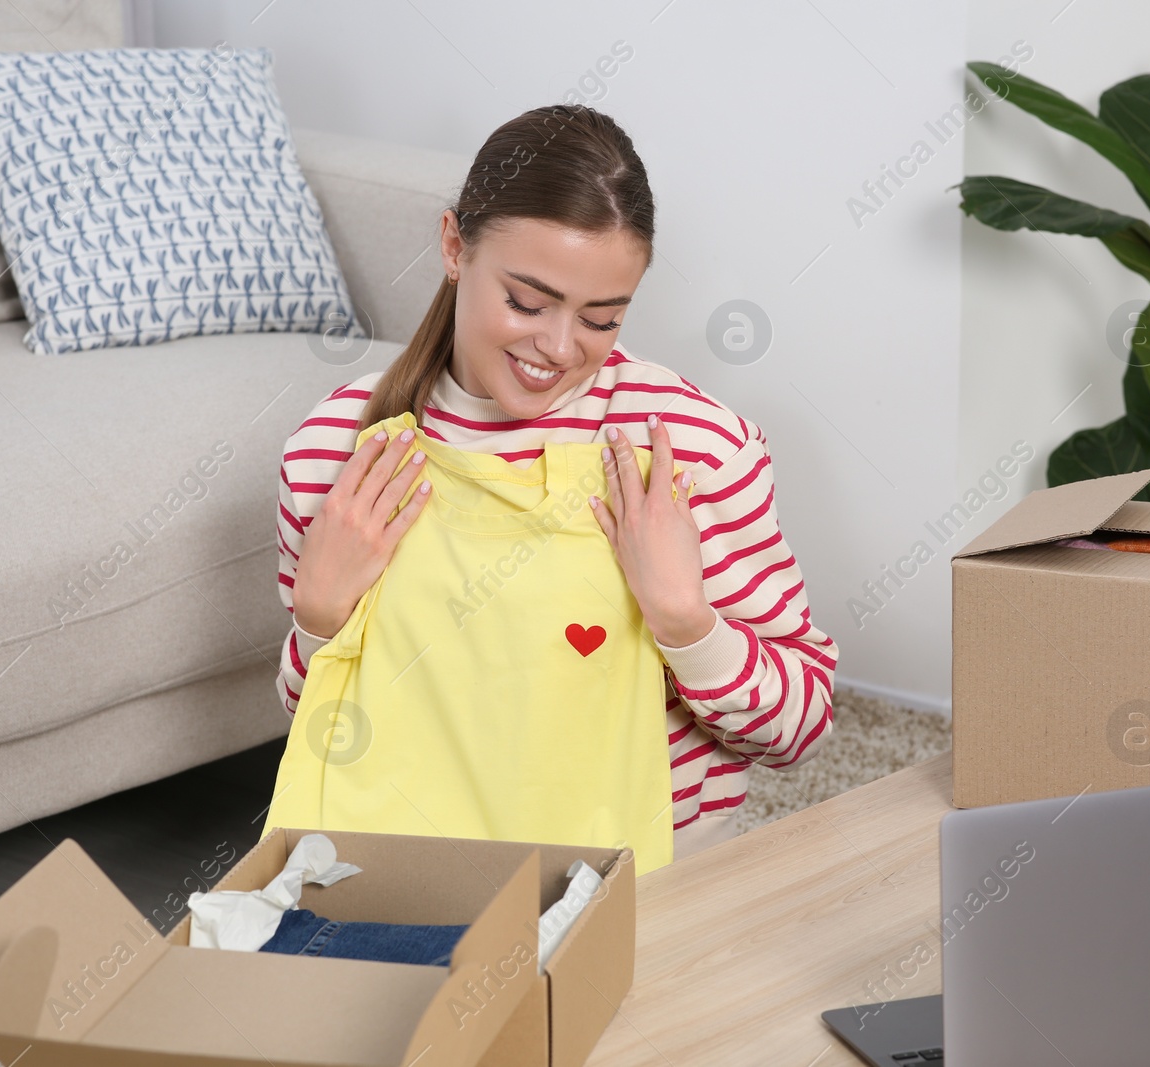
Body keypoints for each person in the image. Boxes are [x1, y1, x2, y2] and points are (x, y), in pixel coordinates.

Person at [275, 104, 836, 863]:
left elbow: (801, 728)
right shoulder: (338, 450)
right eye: (527, 302)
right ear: (452, 246)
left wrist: (684, 622)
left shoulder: (688, 448)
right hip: (416, 867)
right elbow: (325, 721)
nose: (560, 348)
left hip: (645, 876)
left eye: (602, 319)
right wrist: (317, 617)